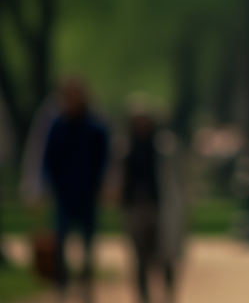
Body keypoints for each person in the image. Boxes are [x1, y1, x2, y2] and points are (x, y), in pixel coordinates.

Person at [42, 78, 110, 301]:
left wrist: (103, 186)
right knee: (60, 239)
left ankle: (86, 282)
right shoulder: (57, 126)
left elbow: (104, 160)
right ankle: (62, 285)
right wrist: (47, 185)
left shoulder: (95, 127)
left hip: (87, 193)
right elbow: (48, 159)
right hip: (63, 193)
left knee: (88, 241)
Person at [120, 107, 187, 303]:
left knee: (166, 255)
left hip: (160, 207)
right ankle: (143, 297)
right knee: (139, 258)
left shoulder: (164, 146)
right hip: (135, 207)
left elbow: (179, 178)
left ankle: (169, 296)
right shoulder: (126, 148)